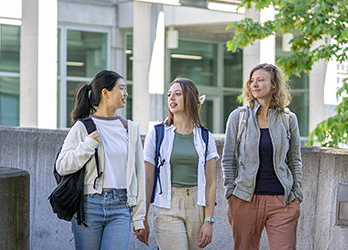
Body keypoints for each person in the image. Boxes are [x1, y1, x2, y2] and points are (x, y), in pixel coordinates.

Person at [55, 70, 145, 250]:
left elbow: (139, 175)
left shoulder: (130, 129)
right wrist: (87, 145)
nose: (126, 93)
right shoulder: (83, 127)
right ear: (105, 93)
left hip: (121, 206)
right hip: (89, 206)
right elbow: (62, 166)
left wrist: (139, 217)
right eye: (121, 88)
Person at [222, 63, 303, 250]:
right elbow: (228, 159)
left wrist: (296, 194)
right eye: (252, 81)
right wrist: (231, 194)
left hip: (282, 201)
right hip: (244, 199)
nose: (255, 84)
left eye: (260, 80)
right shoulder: (238, 117)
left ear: (274, 84)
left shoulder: (288, 119)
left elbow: (295, 160)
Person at [138, 78, 219, 249]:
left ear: (190, 98)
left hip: (198, 206)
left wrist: (209, 220)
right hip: (167, 206)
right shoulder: (157, 134)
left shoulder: (205, 137)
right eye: (169, 95)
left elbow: (211, 183)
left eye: (178, 94)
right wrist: (142, 217)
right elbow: (148, 180)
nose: (171, 98)